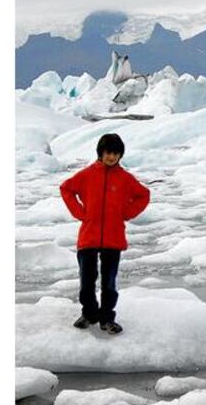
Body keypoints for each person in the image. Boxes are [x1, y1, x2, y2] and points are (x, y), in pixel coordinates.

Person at [60, 133, 150, 334]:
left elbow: (144, 194)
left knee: (109, 283)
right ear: (101, 153)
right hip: (89, 237)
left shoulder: (125, 178)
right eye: (108, 152)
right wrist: (79, 212)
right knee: (87, 281)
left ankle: (107, 318)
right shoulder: (86, 175)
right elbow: (66, 189)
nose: (112, 157)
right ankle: (89, 314)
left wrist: (127, 212)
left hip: (113, 238)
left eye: (116, 153)